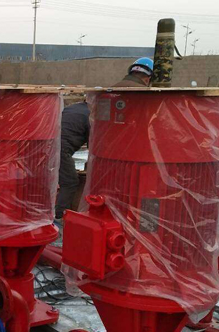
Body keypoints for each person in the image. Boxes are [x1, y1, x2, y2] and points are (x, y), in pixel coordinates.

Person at [55, 57, 154, 219]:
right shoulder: (90, 114)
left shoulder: (76, 107)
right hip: (62, 149)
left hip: (49, 144)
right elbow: (95, 144)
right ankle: (59, 217)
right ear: (148, 78)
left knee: (55, 177)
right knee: (70, 182)